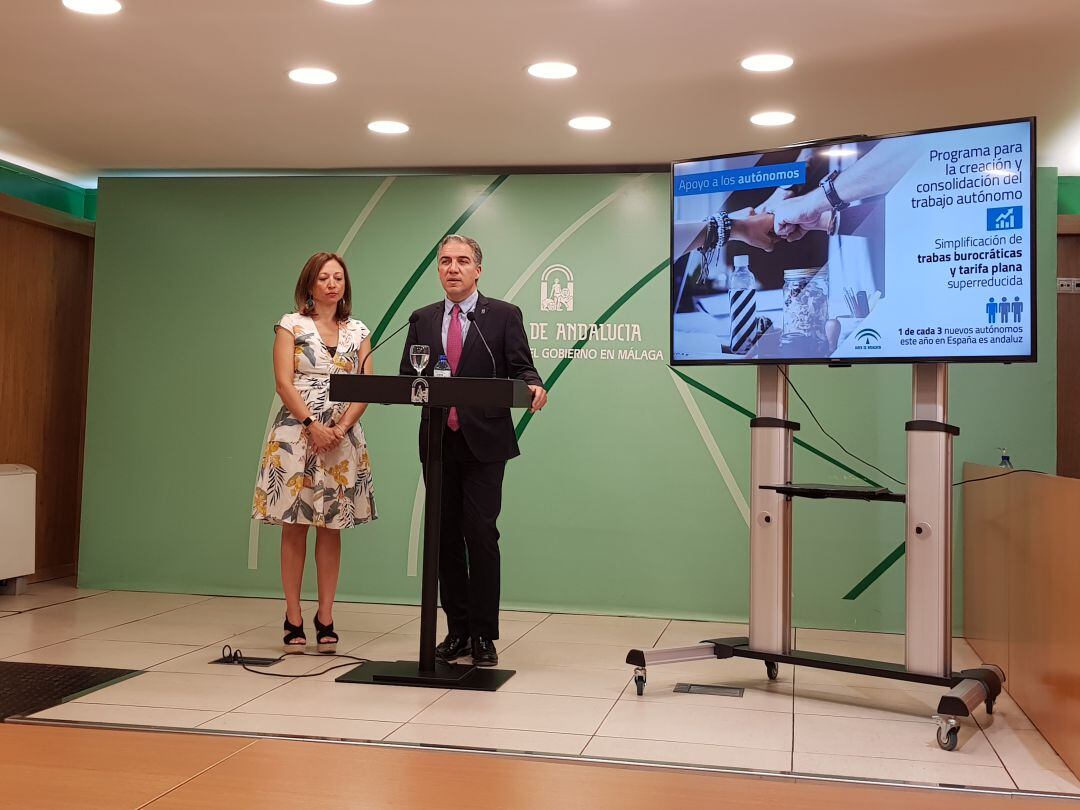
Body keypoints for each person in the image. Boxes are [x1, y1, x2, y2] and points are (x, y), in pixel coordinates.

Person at [398, 234, 546, 667]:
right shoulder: (421, 318)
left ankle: (484, 634)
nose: (453, 268)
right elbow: (410, 373)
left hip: (485, 441)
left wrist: (534, 384)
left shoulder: (502, 315)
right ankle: (457, 631)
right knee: (443, 539)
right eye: (445, 261)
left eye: (462, 261)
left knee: (480, 537)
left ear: (478, 269)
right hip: (439, 442)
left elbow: (522, 366)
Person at [251, 251, 377, 653]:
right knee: (294, 525)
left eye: (338, 277)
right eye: (323, 277)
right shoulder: (290, 324)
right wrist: (311, 425)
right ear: (309, 284)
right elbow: (283, 383)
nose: (331, 284)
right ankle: (292, 616)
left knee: (331, 526)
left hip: (342, 439)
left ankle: (326, 616)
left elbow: (367, 386)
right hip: (296, 434)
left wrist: (338, 428)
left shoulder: (359, 330)